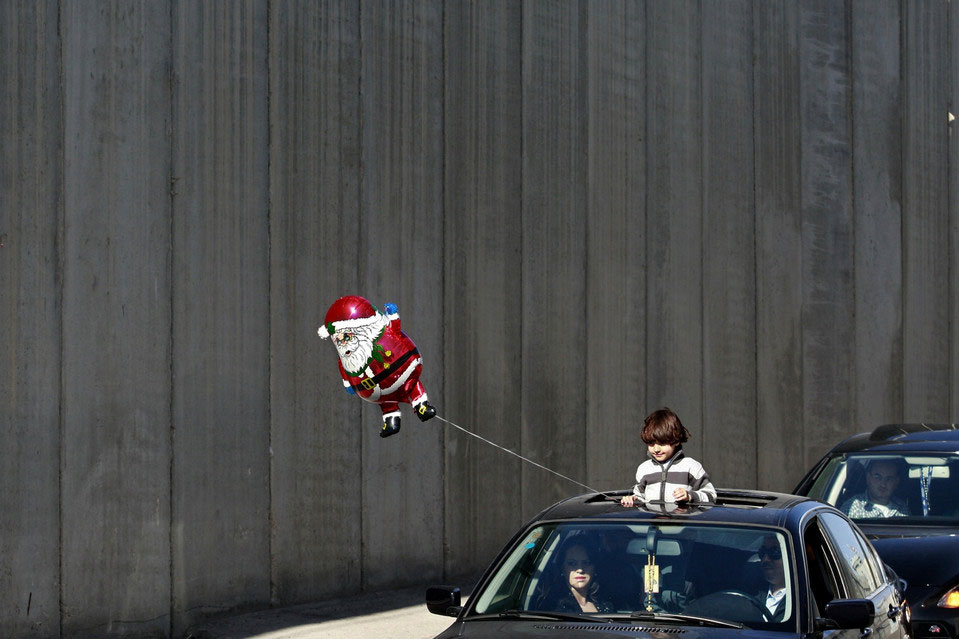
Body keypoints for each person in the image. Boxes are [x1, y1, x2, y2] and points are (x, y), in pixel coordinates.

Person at [621, 408, 716, 507]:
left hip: (682, 521)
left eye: (662, 443)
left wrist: (689, 496)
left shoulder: (690, 467)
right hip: (651, 521)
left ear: (676, 441)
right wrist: (633, 499)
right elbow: (640, 497)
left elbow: (711, 496)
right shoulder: (644, 469)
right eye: (651, 443)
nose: (656, 449)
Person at [536, 540, 614, 613]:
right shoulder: (552, 606)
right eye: (572, 563)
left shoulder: (605, 604)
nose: (580, 570)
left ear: (594, 568)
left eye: (586, 563)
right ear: (562, 568)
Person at [839, 459, 908, 518]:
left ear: (896, 482)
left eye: (889, 479)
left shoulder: (902, 508)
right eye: (877, 477)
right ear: (868, 478)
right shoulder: (853, 507)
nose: (883, 484)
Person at [756, 535, 788, 621]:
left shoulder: (801, 598)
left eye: (774, 552)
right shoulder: (752, 591)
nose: (765, 559)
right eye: (762, 552)